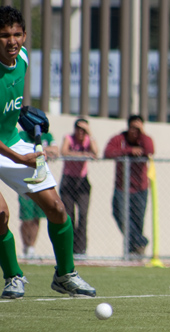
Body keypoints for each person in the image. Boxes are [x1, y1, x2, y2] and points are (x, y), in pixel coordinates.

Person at [0, 6, 95, 299]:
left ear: (25, 35)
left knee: (56, 208)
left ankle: (65, 274)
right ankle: (13, 276)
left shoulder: (24, 58)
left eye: (17, 34)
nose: (12, 41)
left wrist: (22, 114)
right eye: (4, 35)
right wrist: (19, 158)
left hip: (13, 142)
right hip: (12, 151)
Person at [104, 115, 155, 257]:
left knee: (138, 220)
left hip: (140, 188)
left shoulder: (145, 139)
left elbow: (150, 150)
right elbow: (108, 152)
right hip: (122, 187)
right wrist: (129, 151)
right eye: (133, 127)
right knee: (119, 214)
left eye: (138, 128)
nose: (135, 131)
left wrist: (142, 133)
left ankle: (134, 252)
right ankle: (141, 241)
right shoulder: (119, 139)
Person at [59, 119, 98, 259]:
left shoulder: (88, 140)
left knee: (83, 216)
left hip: (82, 182)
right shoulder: (69, 138)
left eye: (84, 130)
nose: (81, 132)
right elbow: (64, 151)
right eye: (79, 129)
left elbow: (95, 152)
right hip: (68, 181)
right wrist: (82, 155)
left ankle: (80, 250)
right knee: (69, 216)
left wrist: (90, 134)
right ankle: (68, 249)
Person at [18, 130, 59, 258]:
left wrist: (40, 150)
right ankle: (26, 244)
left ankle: (31, 247)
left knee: (37, 217)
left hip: (41, 181)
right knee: (27, 217)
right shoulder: (22, 135)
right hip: (25, 180)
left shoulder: (47, 135)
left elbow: (55, 151)